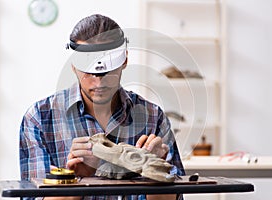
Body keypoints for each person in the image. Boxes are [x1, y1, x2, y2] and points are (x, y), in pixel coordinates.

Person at [20, 14, 185, 200]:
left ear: (124, 60)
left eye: (108, 70)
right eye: (89, 71)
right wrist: (78, 180)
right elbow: (33, 197)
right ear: (74, 65)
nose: (98, 82)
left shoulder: (153, 117)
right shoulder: (40, 118)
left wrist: (155, 172)